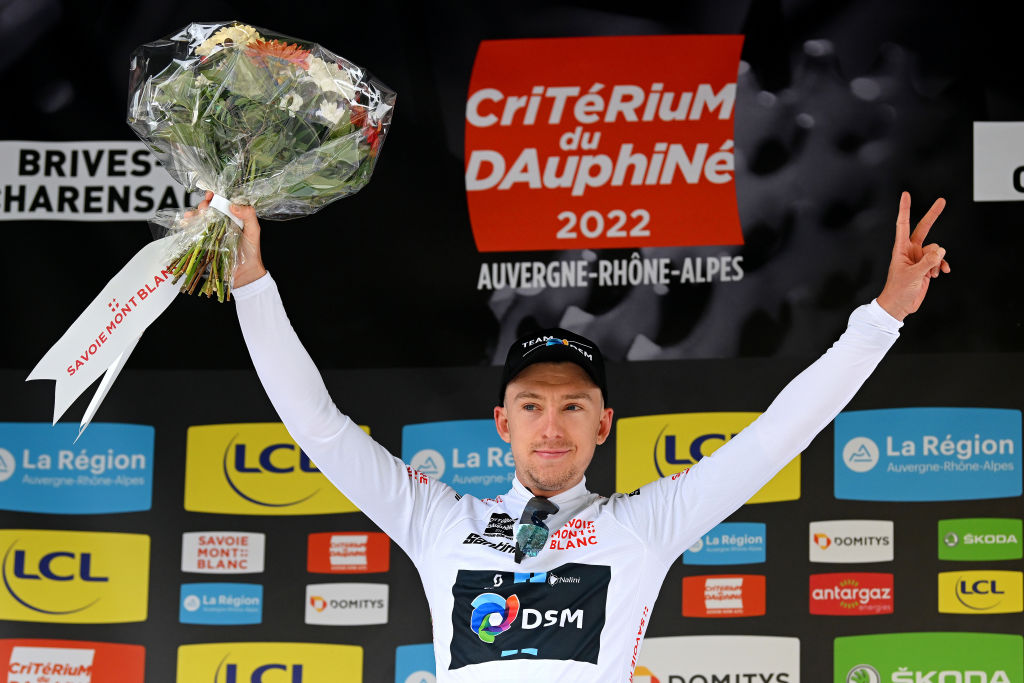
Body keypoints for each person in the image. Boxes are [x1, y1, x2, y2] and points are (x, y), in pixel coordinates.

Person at [202, 190, 948, 682]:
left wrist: (882, 315)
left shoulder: (645, 523)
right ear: (502, 422)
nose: (551, 425)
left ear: (604, 423)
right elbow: (320, 430)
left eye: (572, 406)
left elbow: (778, 436)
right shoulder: (438, 519)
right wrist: (250, 281)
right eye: (531, 405)